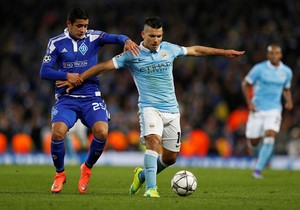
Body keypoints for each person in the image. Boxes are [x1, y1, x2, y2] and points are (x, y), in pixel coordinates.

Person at [58, 16, 244, 197]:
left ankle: (141, 175)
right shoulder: (132, 54)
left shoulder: (169, 49)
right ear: (143, 34)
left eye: (159, 36)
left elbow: (196, 51)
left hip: (172, 110)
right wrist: (79, 79)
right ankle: (151, 190)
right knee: (153, 141)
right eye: (152, 36)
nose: (156, 40)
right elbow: (103, 66)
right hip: (149, 108)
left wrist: (224, 52)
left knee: (170, 158)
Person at [39, 7, 139, 194]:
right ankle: (60, 174)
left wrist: (126, 39)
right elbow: (44, 71)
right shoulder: (56, 43)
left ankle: (86, 168)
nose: (83, 29)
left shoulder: (94, 37)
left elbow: (115, 37)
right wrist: (66, 75)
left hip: (90, 97)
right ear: (68, 24)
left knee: (102, 131)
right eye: (79, 26)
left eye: (85, 25)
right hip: (67, 98)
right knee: (57, 132)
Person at [242, 44, 293, 179]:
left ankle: (258, 170)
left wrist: (289, 100)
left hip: (274, 109)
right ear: (268, 55)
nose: (274, 56)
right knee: (254, 141)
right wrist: (249, 103)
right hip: (257, 109)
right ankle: (257, 150)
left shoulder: (286, 72)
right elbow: (245, 84)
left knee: (270, 135)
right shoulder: (259, 69)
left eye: (277, 53)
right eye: (272, 53)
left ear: (280, 55)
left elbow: (286, 88)